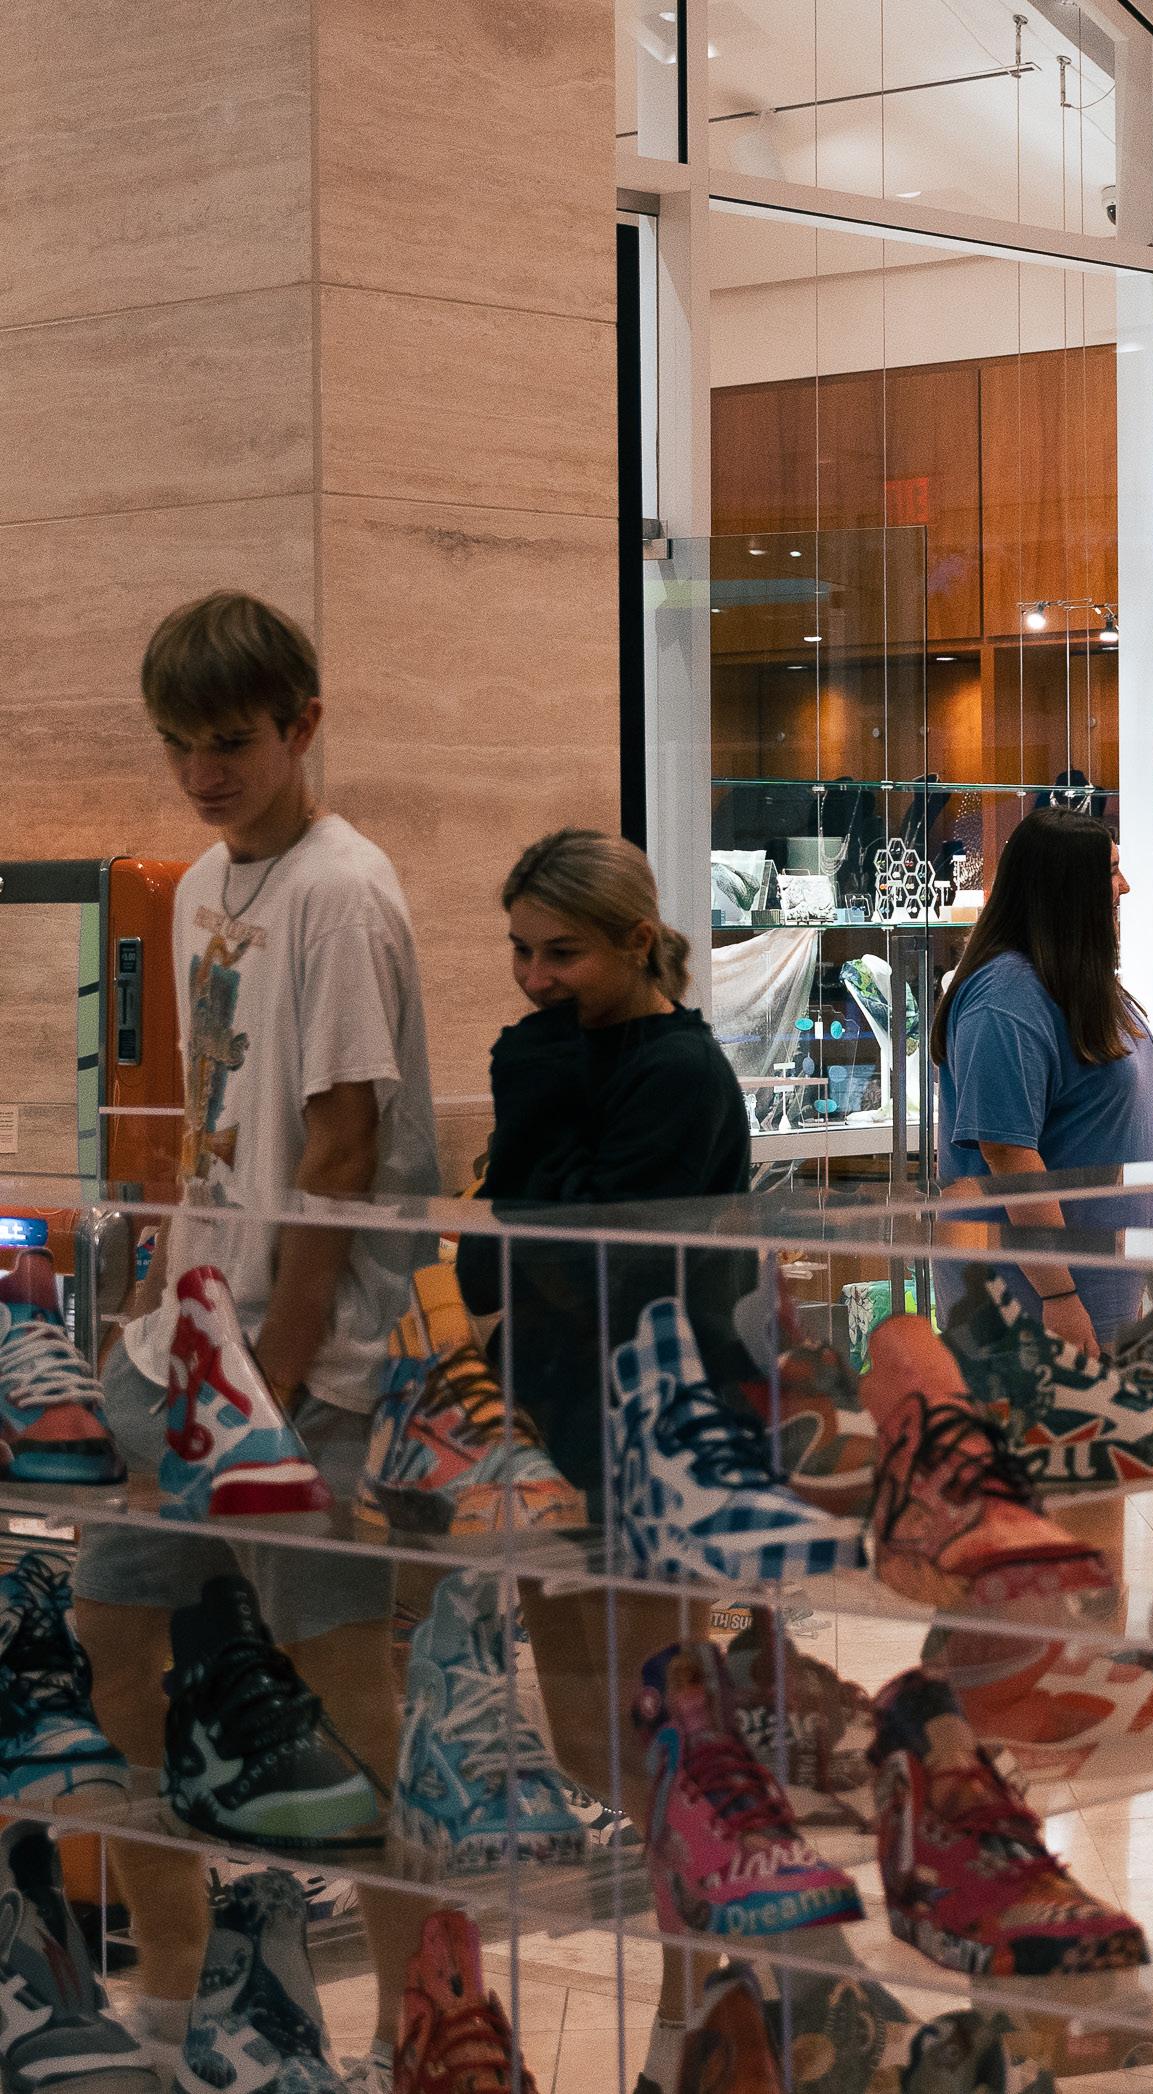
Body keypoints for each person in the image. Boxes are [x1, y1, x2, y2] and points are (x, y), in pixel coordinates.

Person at [76, 592, 441, 2086]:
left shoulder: (342, 891)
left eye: (230, 741)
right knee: (112, 1657)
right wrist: (157, 1305)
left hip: (305, 1371)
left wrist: (275, 1386)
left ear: (303, 724)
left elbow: (340, 1146)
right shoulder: (201, 888)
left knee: (348, 1698)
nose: (202, 772)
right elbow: (208, 1123)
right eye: (179, 745)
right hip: (189, 1348)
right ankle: (171, 2005)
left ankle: (420, 2028)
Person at [453, 826, 748, 2094]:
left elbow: (585, 1255)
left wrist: (531, 1130)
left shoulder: (676, 1071)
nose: (534, 980)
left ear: (636, 942)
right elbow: (496, 1255)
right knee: (585, 1733)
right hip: (553, 1416)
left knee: (654, 1735)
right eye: (521, 952)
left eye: (561, 953)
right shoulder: (552, 1057)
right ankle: (723, 1968)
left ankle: (698, 2016)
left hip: (655, 1428)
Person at [932, 807, 1153, 1349]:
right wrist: (1059, 1296)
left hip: (1096, 1287)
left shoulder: (1072, 979)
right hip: (1030, 1302)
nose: (1125, 886)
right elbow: (1009, 1155)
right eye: (1111, 871)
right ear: (1067, 888)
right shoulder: (1006, 1000)